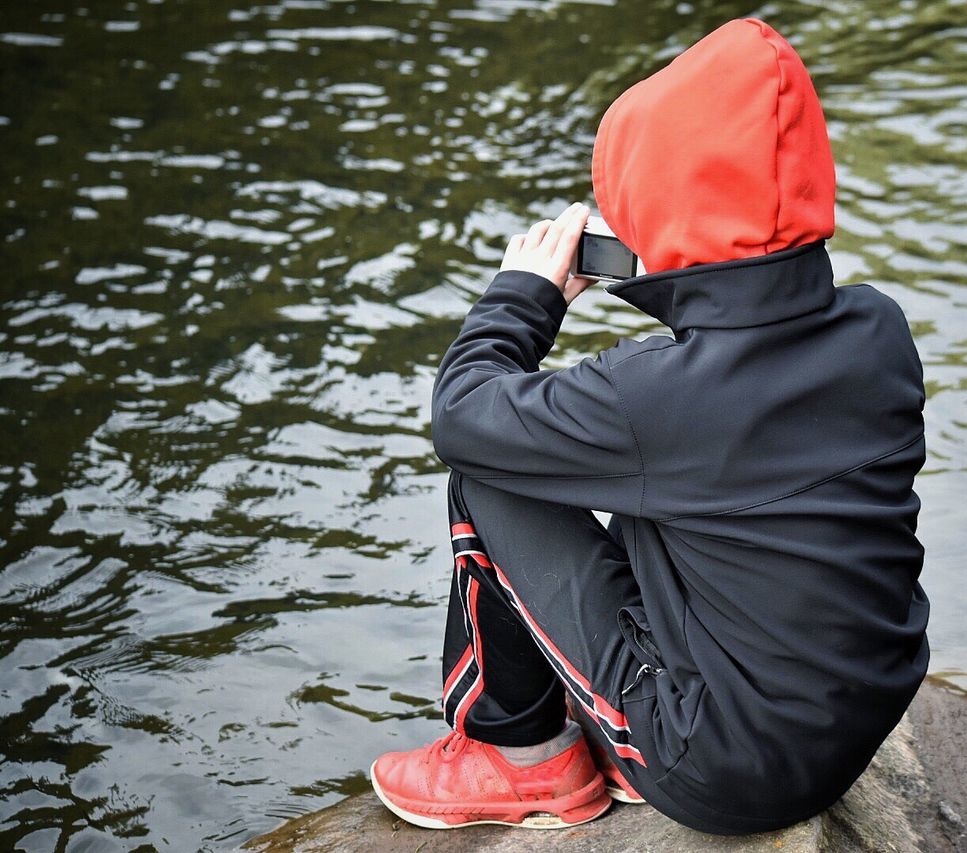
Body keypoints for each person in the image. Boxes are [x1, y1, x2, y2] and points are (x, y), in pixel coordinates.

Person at [370, 17, 929, 835]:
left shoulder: (658, 397)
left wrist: (523, 293)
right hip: (854, 722)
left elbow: (462, 415)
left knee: (491, 469)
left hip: (724, 770)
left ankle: (522, 754)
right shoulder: (878, 332)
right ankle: (611, 733)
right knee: (663, 490)